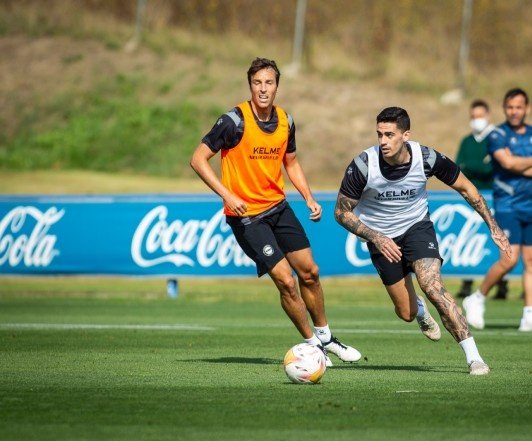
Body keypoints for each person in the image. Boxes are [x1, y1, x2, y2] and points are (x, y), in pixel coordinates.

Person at [190, 57, 361, 366]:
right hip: (247, 217)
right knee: (286, 280)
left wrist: (308, 197)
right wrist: (228, 194)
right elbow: (198, 159)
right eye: (257, 83)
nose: (263, 89)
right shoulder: (233, 121)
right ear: (250, 86)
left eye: (269, 83)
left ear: (277, 86)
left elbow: (291, 162)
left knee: (310, 272)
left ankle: (326, 336)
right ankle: (312, 346)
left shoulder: (286, 121)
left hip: (279, 208)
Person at [334, 106, 512, 375]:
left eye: (390, 135)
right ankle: (418, 310)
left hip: (417, 227)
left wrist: (493, 226)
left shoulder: (426, 158)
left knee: (432, 285)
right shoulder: (363, 165)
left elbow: (467, 188)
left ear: (406, 135)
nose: (383, 141)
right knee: (405, 313)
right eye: (379, 134)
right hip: (380, 236)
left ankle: (474, 357)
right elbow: (340, 212)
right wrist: (376, 237)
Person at [463, 88, 532, 332]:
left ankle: (530, 315)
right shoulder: (498, 135)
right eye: (510, 107)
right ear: (505, 109)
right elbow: (506, 162)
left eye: (519, 107)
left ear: (526, 109)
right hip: (507, 205)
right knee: (509, 259)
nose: (514, 111)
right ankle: (478, 298)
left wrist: (523, 164)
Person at [455, 99, 509, 300]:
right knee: (470, 238)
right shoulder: (467, 141)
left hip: (493, 196)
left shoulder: (496, 137)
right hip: (470, 196)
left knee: (496, 237)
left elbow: (491, 169)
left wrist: (472, 166)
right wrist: (476, 166)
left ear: (488, 116)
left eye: (480, 116)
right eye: (473, 117)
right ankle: (467, 282)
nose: (476, 120)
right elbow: (458, 166)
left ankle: (502, 284)